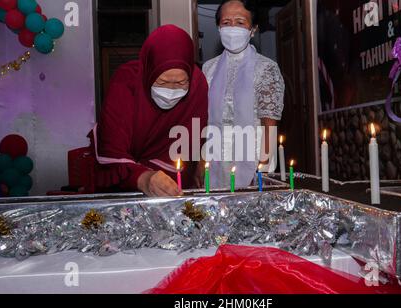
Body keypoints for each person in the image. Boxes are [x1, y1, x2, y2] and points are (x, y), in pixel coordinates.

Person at [89, 25, 208, 197]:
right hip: (120, 185)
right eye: (162, 82)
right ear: (149, 72)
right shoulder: (126, 81)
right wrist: (143, 178)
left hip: (171, 186)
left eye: (181, 83)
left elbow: (188, 142)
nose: (171, 91)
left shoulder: (197, 85)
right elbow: (112, 147)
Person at [203, 0, 285, 189]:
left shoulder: (266, 69)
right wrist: (202, 165)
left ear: (253, 29)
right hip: (215, 162)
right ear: (218, 27)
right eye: (226, 22)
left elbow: (269, 125)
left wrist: (262, 170)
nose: (232, 28)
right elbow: (204, 122)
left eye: (240, 22)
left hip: (253, 163)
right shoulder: (208, 69)